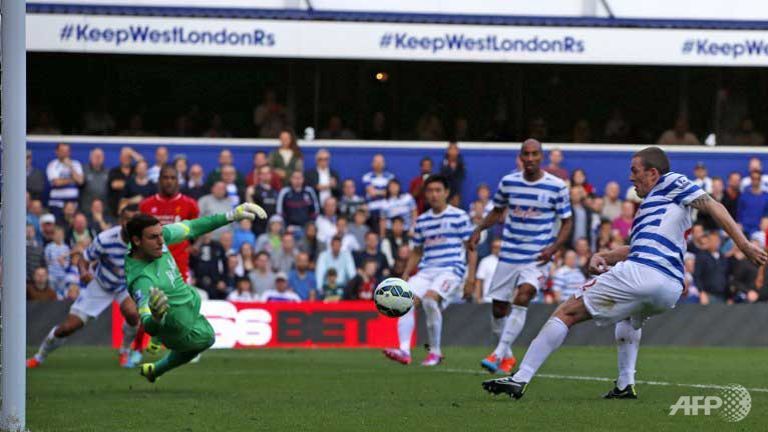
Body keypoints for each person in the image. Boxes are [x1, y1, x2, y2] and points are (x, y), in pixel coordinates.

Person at [481, 146, 767, 400]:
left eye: (635, 171)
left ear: (653, 173)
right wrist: (603, 255)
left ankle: (520, 378)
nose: (631, 178)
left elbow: (712, 204)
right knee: (629, 316)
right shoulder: (651, 209)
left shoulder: (671, 181)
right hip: (667, 288)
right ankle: (625, 384)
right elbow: (635, 249)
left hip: (646, 273)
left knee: (567, 311)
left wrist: (743, 244)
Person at [127, 202, 266, 383]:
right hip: (176, 325)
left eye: (161, 235)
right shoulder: (140, 279)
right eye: (154, 237)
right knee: (207, 338)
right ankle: (157, 365)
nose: (162, 241)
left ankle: (157, 343)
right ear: (137, 241)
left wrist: (231, 215)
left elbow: (192, 227)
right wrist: (155, 318)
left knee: (193, 297)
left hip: (189, 301)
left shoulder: (159, 239)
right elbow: (146, 321)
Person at [470, 139, 573, 375]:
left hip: (537, 256)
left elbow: (567, 221)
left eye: (534, 154)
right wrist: (478, 229)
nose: (530, 158)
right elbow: (497, 211)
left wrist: (553, 248)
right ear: (520, 157)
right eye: (526, 154)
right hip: (508, 254)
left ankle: (498, 352)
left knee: (524, 294)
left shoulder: (556, 186)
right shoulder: (509, 183)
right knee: (498, 308)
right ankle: (507, 356)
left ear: (541, 156)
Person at [27, 205, 142, 370]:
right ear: (120, 220)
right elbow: (84, 259)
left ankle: (124, 351)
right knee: (68, 327)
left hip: (124, 286)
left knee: (133, 315)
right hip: (100, 285)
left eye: (135, 219)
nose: (131, 223)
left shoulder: (143, 241)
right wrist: (83, 272)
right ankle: (39, 357)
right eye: (127, 219)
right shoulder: (105, 239)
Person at [382, 174, 476, 367]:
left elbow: (471, 248)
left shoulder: (459, 216)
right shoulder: (423, 221)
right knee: (403, 301)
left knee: (429, 299)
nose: (434, 195)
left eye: (438, 190)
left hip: (451, 269)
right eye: (430, 191)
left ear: (446, 193)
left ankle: (435, 352)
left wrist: (471, 278)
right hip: (427, 271)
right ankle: (404, 350)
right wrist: (406, 274)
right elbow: (417, 251)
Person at [140, 164, 200, 283]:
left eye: (173, 178)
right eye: (165, 178)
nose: (169, 181)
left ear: (178, 181)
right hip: (152, 266)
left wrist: (194, 246)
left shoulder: (190, 205)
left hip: (179, 267)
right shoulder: (146, 205)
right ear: (159, 180)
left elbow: (199, 230)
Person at [46, 143, 84, 219]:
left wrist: (70, 167)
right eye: (62, 151)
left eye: (67, 151)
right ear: (57, 152)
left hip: (73, 205)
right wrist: (72, 180)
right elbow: (56, 182)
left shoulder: (76, 164)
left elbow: (80, 181)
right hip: (57, 204)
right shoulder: (52, 165)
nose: (65, 153)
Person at [44, 226, 80, 300]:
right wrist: (53, 261)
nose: (59, 236)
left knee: (62, 293)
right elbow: (46, 261)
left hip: (63, 275)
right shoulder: (49, 247)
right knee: (52, 292)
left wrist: (63, 263)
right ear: (53, 236)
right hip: (52, 275)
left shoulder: (66, 248)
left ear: (63, 236)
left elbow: (67, 263)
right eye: (57, 235)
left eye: (60, 235)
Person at [107, 146, 143, 216]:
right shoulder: (114, 171)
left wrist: (132, 153)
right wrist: (135, 183)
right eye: (124, 157)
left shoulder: (135, 170)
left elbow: (143, 164)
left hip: (134, 212)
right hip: (116, 212)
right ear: (120, 158)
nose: (126, 159)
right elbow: (115, 185)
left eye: (128, 157)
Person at [246, 165, 279, 235]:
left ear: (271, 175)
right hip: (258, 228)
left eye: (267, 173)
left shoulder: (275, 192)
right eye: (263, 174)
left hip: (272, 228)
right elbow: (250, 209)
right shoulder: (253, 190)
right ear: (259, 176)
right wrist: (249, 196)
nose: (266, 175)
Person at [362, 154, 396, 221]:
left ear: (384, 164)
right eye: (376, 162)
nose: (378, 164)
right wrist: (384, 191)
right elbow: (371, 193)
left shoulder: (391, 177)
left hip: (387, 208)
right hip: (371, 208)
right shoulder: (367, 177)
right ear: (372, 164)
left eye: (380, 162)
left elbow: (392, 193)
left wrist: (376, 191)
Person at [737, 170, 768, 236]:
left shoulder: (766, 197)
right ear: (750, 179)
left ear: (760, 180)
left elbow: (766, 216)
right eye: (753, 178)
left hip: (759, 231)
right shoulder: (743, 196)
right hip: (743, 231)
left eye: (757, 179)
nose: (755, 181)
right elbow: (739, 215)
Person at [80, 148, 109, 214]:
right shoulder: (83, 170)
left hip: (104, 211)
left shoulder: (108, 172)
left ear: (104, 158)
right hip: (86, 210)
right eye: (96, 156)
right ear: (90, 157)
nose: (98, 158)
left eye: (100, 156)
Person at [474, 239, 502, 304]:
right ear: (492, 248)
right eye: (495, 247)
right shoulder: (485, 261)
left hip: (505, 301)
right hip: (488, 300)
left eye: (500, 247)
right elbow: (479, 281)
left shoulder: (509, 261)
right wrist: (478, 298)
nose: (498, 249)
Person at [440, 142, 466, 206]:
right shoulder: (444, 163)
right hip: (445, 194)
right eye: (451, 149)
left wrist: (456, 196)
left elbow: (461, 177)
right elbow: (443, 177)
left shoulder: (461, 164)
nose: (453, 151)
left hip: (456, 194)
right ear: (448, 151)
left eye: (455, 149)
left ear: (458, 151)